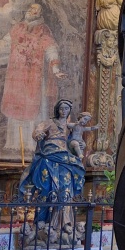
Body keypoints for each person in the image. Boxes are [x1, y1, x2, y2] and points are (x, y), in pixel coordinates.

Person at [0, 1, 65, 154]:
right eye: (30, 8)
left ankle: (32, 146)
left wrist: (55, 68)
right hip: (16, 78)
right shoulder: (18, 28)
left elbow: (51, 49)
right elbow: (4, 44)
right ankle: (14, 144)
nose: (32, 11)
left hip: (34, 79)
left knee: (32, 111)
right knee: (15, 111)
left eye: (36, 9)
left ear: (40, 14)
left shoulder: (43, 31)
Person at [19, 100, 86, 242]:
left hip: (64, 159)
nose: (64, 111)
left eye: (66, 108)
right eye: (61, 108)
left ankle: (63, 224)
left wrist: (79, 144)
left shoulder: (69, 126)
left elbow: (74, 139)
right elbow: (38, 130)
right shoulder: (50, 122)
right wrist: (38, 134)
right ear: (57, 110)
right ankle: (42, 222)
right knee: (47, 189)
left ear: (69, 110)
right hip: (49, 156)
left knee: (66, 189)